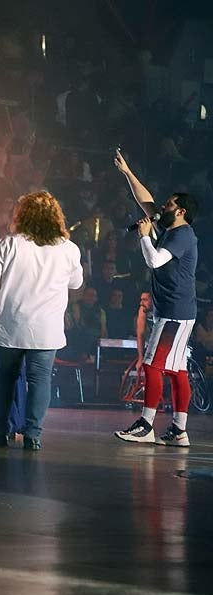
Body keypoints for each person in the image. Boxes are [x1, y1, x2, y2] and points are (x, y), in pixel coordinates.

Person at [0, 191, 83, 451]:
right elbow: (76, 282)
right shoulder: (69, 249)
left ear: (23, 215)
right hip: (46, 329)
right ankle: (32, 435)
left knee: (5, 379)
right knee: (40, 381)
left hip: (12, 325)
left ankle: (0, 432)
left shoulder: (10, 244)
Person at [113, 152, 199, 447]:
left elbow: (155, 260)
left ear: (181, 211)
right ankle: (179, 430)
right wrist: (127, 172)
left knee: (151, 365)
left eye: (170, 204)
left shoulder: (182, 235)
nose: (163, 206)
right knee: (177, 369)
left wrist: (144, 236)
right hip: (178, 311)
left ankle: (146, 425)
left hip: (174, 312)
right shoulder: (171, 228)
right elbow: (146, 201)